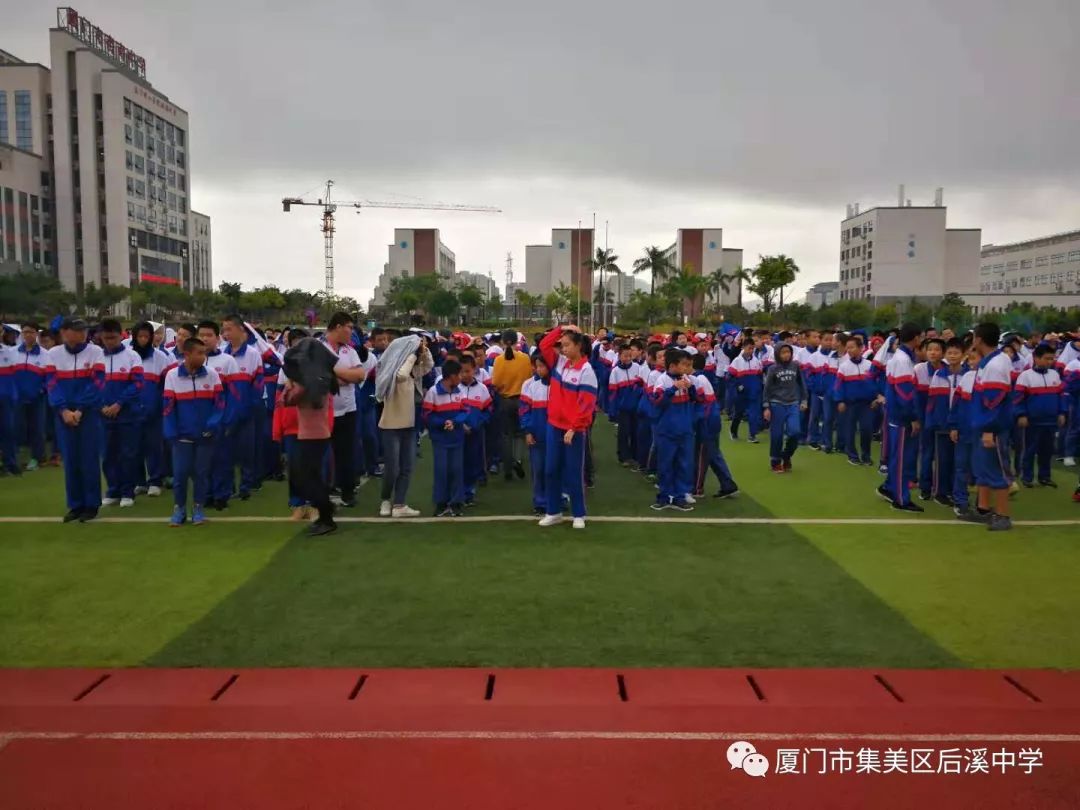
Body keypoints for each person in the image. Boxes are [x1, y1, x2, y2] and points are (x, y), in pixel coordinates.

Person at [537, 325, 597, 529]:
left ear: (578, 346)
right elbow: (544, 344)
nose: (562, 349)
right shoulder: (559, 363)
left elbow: (586, 404)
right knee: (551, 469)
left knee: (573, 472)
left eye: (566, 345)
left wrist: (574, 428)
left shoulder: (587, 371)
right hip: (553, 425)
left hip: (574, 430)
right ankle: (553, 511)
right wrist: (561, 328)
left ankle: (578, 513)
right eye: (561, 345)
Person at [46, 318, 105, 522]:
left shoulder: (95, 352)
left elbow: (96, 383)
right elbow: (52, 385)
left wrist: (79, 410)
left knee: (88, 459)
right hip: (63, 415)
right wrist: (63, 410)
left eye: (84, 330)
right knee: (70, 460)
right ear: (64, 332)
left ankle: (91, 504)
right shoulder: (53, 354)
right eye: (77, 330)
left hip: (87, 414)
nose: (82, 334)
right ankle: (75, 504)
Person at [163, 337, 225, 526]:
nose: (204, 356)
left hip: (205, 436)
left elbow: (220, 404)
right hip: (182, 436)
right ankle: (179, 509)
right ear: (187, 354)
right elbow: (167, 407)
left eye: (205, 352)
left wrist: (212, 424)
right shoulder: (172, 375)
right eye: (200, 353)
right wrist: (171, 431)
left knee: (201, 474)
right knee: (180, 475)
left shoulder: (212, 375)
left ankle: (198, 508)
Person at [961, 322, 1015, 531]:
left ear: (979, 340)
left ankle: (1003, 515)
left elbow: (994, 401)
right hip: (984, 424)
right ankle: (984, 509)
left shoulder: (996, 364)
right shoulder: (991, 361)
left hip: (993, 427)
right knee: (983, 468)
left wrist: (989, 430)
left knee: (997, 470)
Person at [222, 315, 280, 502]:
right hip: (227, 411)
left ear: (241, 330)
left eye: (229, 329)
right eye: (224, 329)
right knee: (227, 450)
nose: (226, 333)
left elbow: (258, 384)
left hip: (249, 409)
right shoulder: (224, 353)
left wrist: (249, 405)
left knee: (248, 449)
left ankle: (247, 484)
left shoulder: (253, 354)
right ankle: (229, 486)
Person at [375, 333, 432, 518]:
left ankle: (399, 503)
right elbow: (400, 376)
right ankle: (385, 500)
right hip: (391, 426)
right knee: (392, 468)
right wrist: (413, 353)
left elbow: (428, 366)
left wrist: (424, 350)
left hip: (408, 425)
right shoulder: (391, 373)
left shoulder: (413, 374)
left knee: (407, 466)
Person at [320, 312, 368, 508]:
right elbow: (318, 378)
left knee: (346, 452)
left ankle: (347, 491)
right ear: (338, 327)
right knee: (321, 453)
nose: (352, 331)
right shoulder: (319, 348)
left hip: (348, 409)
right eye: (349, 327)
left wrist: (334, 374)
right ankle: (322, 493)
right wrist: (346, 377)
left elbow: (360, 375)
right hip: (322, 410)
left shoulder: (350, 351)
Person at [98, 319, 144, 507]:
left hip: (127, 414)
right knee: (108, 454)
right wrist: (101, 405)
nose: (109, 341)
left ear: (121, 335)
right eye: (106, 338)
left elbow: (138, 383)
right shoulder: (96, 357)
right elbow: (92, 385)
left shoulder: (132, 356)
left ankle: (127, 492)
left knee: (128, 454)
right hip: (103, 414)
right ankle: (113, 490)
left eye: (113, 337)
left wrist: (118, 404)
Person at [197, 321, 241, 510]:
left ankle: (221, 496)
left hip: (222, 420)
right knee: (202, 461)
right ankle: (205, 495)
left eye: (209, 335)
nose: (205, 338)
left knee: (222, 460)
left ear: (218, 338)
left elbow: (235, 394)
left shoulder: (228, 361)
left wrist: (228, 419)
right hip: (200, 420)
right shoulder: (192, 361)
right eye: (201, 335)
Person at [879, 324, 923, 511]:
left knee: (899, 455)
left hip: (896, 413)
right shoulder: (903, 360)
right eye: (920, 337)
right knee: (902, 458)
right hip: (901, 416)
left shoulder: (901, 357)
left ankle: (890, 487)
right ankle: (900, 498)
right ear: (914, 338)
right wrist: (912, 416)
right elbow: (904, 393)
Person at [649, 348, 699, 510]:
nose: (686, 368)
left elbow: (696, 399)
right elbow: (657, 402)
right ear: (672, 365)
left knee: (684, 465)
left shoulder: (686, 378)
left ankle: (679, 496)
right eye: (683, 365)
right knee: (666, 465)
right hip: (667, 431)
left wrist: (691, 388)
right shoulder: (662, 381)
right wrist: (673, 389)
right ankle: (664, 496)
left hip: (685, 430)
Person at [1013, 343, 1067, 488]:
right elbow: (1018, 399)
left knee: (1047, 451)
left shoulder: (1055, 375)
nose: (1050, 362)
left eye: (1052, 359)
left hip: (1050, 421)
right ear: (1036, 358)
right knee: (1029, 450)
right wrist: (1021, 415)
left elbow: (1061, 396)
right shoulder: (1025, 376)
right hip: (1032, 421)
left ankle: (1045, 476)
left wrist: (1062, 412)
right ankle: (1027, 477)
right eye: (1047, 358)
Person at [421, 358, 468, 516]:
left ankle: (455, 503)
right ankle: (441, 503)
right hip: (440, 439)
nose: (461, 377)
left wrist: (454, 422)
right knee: (441, 471)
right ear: (452, 376)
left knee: (457, 470)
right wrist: (442, 423)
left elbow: (465, 411)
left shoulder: (459, 392)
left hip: (456, 438)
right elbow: (427, 415)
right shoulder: (433, 393)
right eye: (459, 374)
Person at [130, 322, 171, 497]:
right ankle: (139, 481)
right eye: (140, 336)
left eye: (147, 336)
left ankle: (155, 480)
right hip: (132, 410)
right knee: (135, 446)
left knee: (154, 446)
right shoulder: (129, 356)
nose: (143, 339)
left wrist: (160, 405)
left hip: (154, 409)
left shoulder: (161, 358)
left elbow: (165, 385)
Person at [691, 352, 739, 499]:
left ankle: (697, 488)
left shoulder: (697, 379)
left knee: (703, 455)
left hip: (707, 422)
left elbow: (701, 403)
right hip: (711, 420)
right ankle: (728, 485)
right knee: (712, 454)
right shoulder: (701, 378)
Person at [924, 338, 966, 506]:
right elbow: (931, 401)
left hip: (961, 426)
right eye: (950, 353)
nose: (953, 356)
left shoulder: (968, 375)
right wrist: (930, 421)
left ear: (963, 355)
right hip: (941, 425)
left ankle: (955, 492)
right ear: (945, 355)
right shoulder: (938, 375)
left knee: (960, 461)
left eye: (956, 353)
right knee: (943, 460)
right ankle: (941, 492)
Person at [491, 329, 532, 481]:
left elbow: (495, 383)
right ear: (517, 341)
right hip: (521, 399)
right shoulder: (525, 358)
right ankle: (519, 460)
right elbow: (528, 378)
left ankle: (508, 467)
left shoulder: (498, 360)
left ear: (502, 341)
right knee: (520, 434)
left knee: (506, 435)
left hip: (505, 399)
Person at [763, 343, 808, 473]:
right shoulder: (772, 369)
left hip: (793, 404)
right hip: (776, 404)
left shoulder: (795, 366)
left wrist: (804, 400)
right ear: (777, 354)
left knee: (795, 432)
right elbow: (767, 389)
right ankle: (775, 461)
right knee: (776, 435)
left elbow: (802, 384)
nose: (786, 355)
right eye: (783, 352)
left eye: (788, 352)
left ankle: (786, 455)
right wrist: (766, 407)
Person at [835, 335, 876, 466]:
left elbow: (876, 383)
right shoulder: (844, 366)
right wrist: (840, 400)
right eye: (848, 348)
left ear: (861, 348)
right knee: (850, 430)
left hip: (867, 404)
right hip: (850, 404)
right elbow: (838, 386)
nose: (849, 350)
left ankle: (866, 456)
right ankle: (852, 455)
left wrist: (876, 398)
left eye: (852, 347)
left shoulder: (870, 365)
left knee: (866, 429)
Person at [459, 354, 493, 506]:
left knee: (474, 461)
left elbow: (488, 409)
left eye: (467, 371)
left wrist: (479, 423)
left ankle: (469, 492)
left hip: (475, 433)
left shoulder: (482, 388)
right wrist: (461, 425)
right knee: (458, 463)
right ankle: (458, 492)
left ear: (474, 370)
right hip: (458, 432)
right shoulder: (455, 389)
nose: (464, 375)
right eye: (461, 371)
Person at [519, 354, 551, 516]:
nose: (539, 370)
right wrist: (528, 431)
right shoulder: (531, 386)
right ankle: (539, 501)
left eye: (542, 366)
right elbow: (524, 410)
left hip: (554, 436)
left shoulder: (558, 387)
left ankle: (555, 499)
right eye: (537, 366)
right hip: (537, 435)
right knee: (538, 469)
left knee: (553, 469)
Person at [915, 338, 946, 500]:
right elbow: (914, 396)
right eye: (930, 349)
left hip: (943, 419)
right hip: (924, 418)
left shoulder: (948, 370)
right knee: (926, 453)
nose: (933, 352)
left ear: (943, 352)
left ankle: (942, 489)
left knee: (943, 455)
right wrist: (916, 418)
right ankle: (925, 488)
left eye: (937, 349)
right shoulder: (918, 369)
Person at [14, 324, 48, 472]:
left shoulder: (45, 355)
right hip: (17, 398)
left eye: (31, 332)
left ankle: (37, 458)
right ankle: (16, 458)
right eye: (25, 332)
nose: (28, 335)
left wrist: (42, 390)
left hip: (37, 398)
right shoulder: (13, 352)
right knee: (16, 428)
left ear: (36, 334)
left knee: (37, 428)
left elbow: (50, 377)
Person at [606, 342, 640, 466]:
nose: (627, 358)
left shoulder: (637, 367)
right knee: (623, 433)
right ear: (619, 356)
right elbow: (613, 393)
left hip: (636, 407)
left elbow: (641, 385)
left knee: (635, 432)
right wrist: (613, 409)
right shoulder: (615, 371)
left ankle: (635, 456)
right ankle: (624, 457)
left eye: (629, 356)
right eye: (624, 356)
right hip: (623, 408)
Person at [728, 340, 764, 443]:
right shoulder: (737, 361)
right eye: (749, 348)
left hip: (754, 392)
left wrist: (758, 387)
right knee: (738, 413)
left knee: (754, 414)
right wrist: (738, 385)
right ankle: (733, 431)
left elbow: (760, 375)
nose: (751, 351)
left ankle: (752, 435)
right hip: (741, 393)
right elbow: (730, 377)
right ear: (743, 347)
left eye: (753, 348)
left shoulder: (756, 361)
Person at [0, 335, 17, 476]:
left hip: (5, 400)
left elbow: (13, 378)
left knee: (8, 431)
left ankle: (10, 464)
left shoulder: (9, 352)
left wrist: (13, 396)